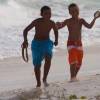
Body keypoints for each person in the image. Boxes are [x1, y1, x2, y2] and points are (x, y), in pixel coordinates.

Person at [56, 3, 100, 82]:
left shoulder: (81, 20)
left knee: (79, 63)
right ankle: (72, 77)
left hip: (79, 43)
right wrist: (57, 24)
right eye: (72, 11)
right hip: (71, 43)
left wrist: (95, 18)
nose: (75, 12)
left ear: (78, 10)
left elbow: (89, 26)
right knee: (73, 60)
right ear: (70, 13)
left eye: (76, 10)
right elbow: (58, 27)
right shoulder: (68, 21)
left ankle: (74, 77)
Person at [22, 6, 58, 87]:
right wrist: (25, 40)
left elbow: (56, 30)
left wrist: (56, 40)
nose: (48, 15)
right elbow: (26, 30)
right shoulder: (37, 21)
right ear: (41, 14)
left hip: (47, 42)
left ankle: (44, 79)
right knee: (37, 65)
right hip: (36, 44)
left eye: (49, 13)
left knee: (48, 57)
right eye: (46, 13)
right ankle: (38, 83)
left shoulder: (52, 23)